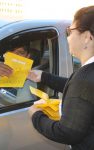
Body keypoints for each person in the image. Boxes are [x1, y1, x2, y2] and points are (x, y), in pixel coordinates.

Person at [28, 6, 94, 150]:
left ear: (87, 37)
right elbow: (83, 92)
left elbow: (67, 133)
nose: (68, 37)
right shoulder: (87, 77)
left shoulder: (84, 78)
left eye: (70, 31)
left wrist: (36, 115)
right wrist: (44, 77)